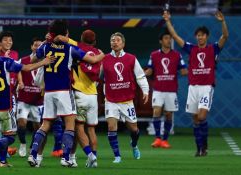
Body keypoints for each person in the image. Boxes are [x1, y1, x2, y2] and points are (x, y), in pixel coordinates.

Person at [27, 19, 104, 168]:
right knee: (70, 125)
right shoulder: (70, 48)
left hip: (49, 91)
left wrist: (45, 42)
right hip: (64, 91)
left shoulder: (46, 47)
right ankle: (66, 157)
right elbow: (92, 59)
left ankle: (33, 155)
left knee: (45, 124)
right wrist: (102, 55)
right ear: (65, 33)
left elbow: (32, 59)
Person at [0, 38, 54, 167]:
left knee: (4, 133)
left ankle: (2, 161)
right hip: (4, 105)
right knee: (11, 137)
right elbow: (27, 67)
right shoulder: (4, 62)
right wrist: (44, 62)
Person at [163, 10, 228, 156]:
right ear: (196, 37)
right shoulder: (191, 48)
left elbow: (225, 36)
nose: (200, 37)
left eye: (202, 35)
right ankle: (199, 148)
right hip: (192, 88)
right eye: (198, 35)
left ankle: (204, 145)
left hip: (206, 87)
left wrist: (223, 22)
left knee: (202, 117)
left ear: (207, 37)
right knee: (195, 120)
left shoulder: (213, 49)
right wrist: (167, 20)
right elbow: (175, 36)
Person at [53, 29, 101, 167]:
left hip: (79, 93)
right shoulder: (98, 53)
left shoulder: (77, 47)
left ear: (81, 38)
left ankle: (89, 156)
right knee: (91, 130)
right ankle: (87, 158)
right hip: (93, 95)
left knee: (77, 127)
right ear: (95, 41)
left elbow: (61, 38)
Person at [102, 32, 149, 163]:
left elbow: (140, 76)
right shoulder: (104, 59)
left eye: (117, 40)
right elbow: (96, 77)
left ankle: (134, 145)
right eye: (112, 40)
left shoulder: (131, 58)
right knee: (111, 127)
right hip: (111, 99)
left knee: (134, 130)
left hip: (127, 101)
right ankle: (117, 156)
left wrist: (145, 90)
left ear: (123, 43)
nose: (114, 42)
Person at [16, 37, 64, 163]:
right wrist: (20, 82)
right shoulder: (26, 59)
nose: (37, 47)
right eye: (35, 45)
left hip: (38, 101)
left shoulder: (48, 60)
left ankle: (34, 149)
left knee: (39, 127)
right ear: (31, 47)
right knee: (21, 123)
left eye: (39, 45)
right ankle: (22, 144)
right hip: (24, 99)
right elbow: (19, 69)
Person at [145, 30, 188, 149]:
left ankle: (165, 140)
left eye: (170, 38)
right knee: (156, 111)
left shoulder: (177, 55)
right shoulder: (154, 55)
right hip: (158, 89)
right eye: (166, 38)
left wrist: (193, 70)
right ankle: (157, 138)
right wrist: (140, 73)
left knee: (169, 115)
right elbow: (149, 70)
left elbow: (183, 70)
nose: (169, 40)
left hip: (171, 90)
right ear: (161, 41)